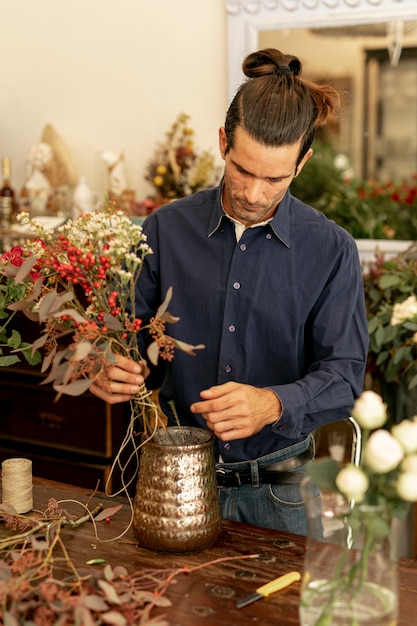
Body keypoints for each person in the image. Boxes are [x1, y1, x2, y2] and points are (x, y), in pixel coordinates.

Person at [91, 48, 369, 535]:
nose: (255, 193)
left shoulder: (331, 250)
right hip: (172, 483)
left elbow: (345, 378)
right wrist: (106, 363)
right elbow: (130, 343)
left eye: (275, 178)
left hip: (282, 496)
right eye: (244, 170)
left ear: (302, 163)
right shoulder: (163, 230)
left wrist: (275, 403)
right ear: (223, 142)